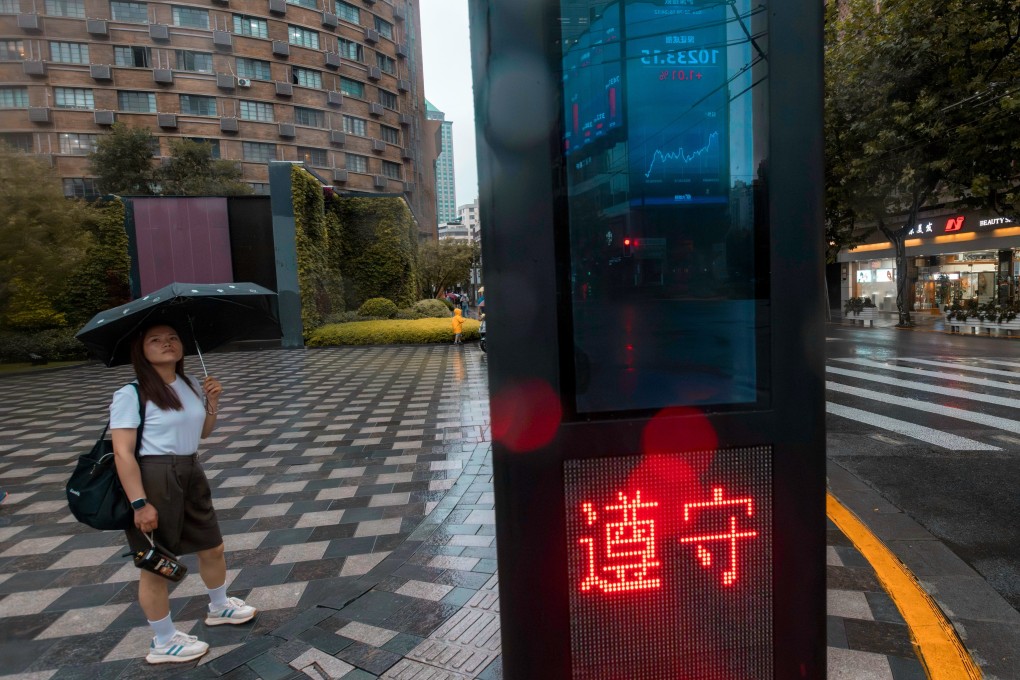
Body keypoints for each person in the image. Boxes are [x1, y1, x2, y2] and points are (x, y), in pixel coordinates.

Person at [111, 323, 255, 665]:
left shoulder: (190, 384)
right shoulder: (130, 394)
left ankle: (219, 606)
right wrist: (139, 502)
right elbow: (123, 453)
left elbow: (201, 433)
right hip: (154, 476)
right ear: (141, 350)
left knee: (213, 545)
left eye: (173, 338)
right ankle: (163, 641)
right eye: (156, 340)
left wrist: (212, 403)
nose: (167, 344)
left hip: (190, 470)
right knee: (156, 563)